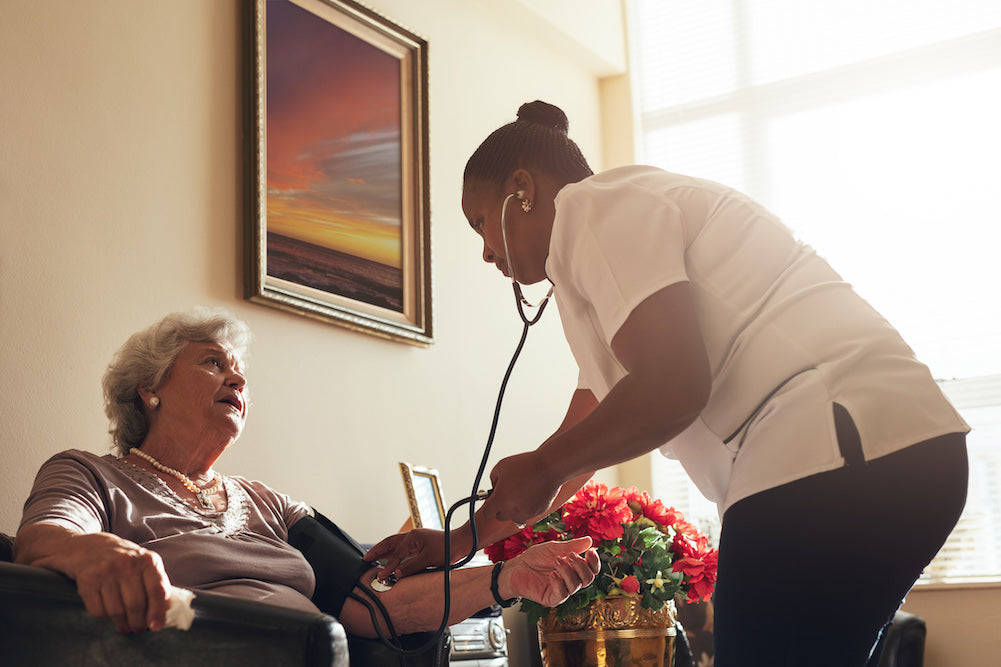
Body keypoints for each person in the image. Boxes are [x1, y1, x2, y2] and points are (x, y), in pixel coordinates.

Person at [364, 101, 970, 666]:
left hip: (835, 448)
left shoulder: (593, 208)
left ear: (520, 192)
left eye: (480, 226)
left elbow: (673, 387)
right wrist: (462, 539)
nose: (488, 255)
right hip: (903, 451)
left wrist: (542, 467)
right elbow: (584, 446)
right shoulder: (614, 266)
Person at [14, 307, 600, 639]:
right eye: (213, 363)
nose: (237, 380)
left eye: (241, 371)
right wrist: (99, 553)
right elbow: (43, 538)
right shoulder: (90, 474)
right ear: (149, 390)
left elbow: (378, 606)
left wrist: (507, 578)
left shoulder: (269, 504)